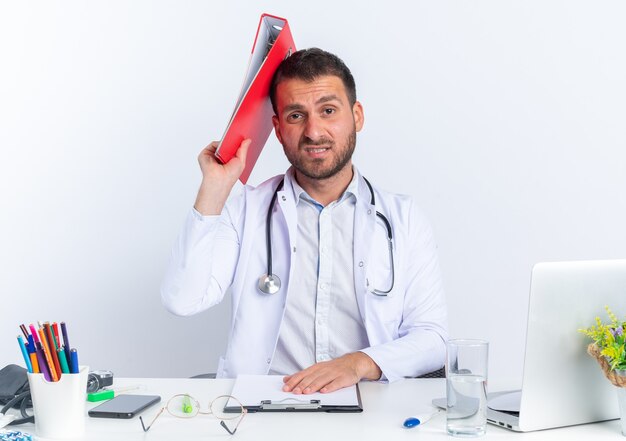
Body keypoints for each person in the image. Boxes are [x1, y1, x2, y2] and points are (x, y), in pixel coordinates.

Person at [161, 48, 448, 394]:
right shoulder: (245, 210)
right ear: (278, 129)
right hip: (264, 406)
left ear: (357, 116)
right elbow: (182, 299)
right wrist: (214, 189)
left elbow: (433, 338)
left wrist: (357, 363)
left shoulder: (404, 218)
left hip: (367, 405)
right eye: (297, 116)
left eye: (328, 111)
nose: (314, 132)